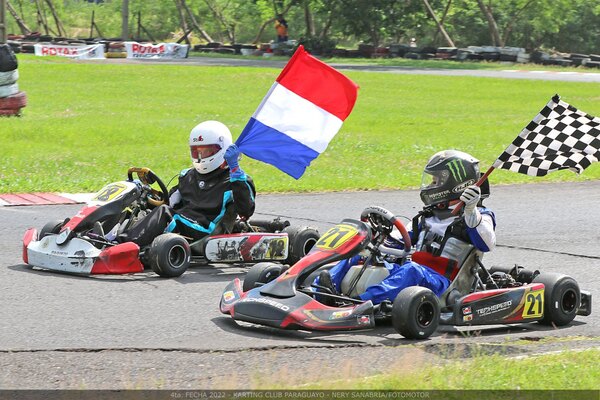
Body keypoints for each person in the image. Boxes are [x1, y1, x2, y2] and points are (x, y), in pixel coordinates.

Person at [318, 150, 496, 305]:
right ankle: (319, 291)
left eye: (435, 182)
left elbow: (486, 243)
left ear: (454, 184)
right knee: (359, 254)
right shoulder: (429, 215)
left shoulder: (479, 214)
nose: (430, 186)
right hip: (413, 272)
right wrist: (376, 239)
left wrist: (471, 212)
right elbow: (401, 242)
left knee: (411, 271)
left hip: (441, 282)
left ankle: (361, 303)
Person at [116, 120, 256, 247]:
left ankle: (123, 245)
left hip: (207, 231)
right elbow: (168, 202)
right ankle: (107, 235)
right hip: (183, 221)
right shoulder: (188, 176)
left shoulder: (237, 180)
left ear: (223, 149)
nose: (200, 157)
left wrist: (235, 171)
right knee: (138, 207)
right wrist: (145, 197)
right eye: (197, 151)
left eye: (206, 151)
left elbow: (245, 211)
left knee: (165, 213)